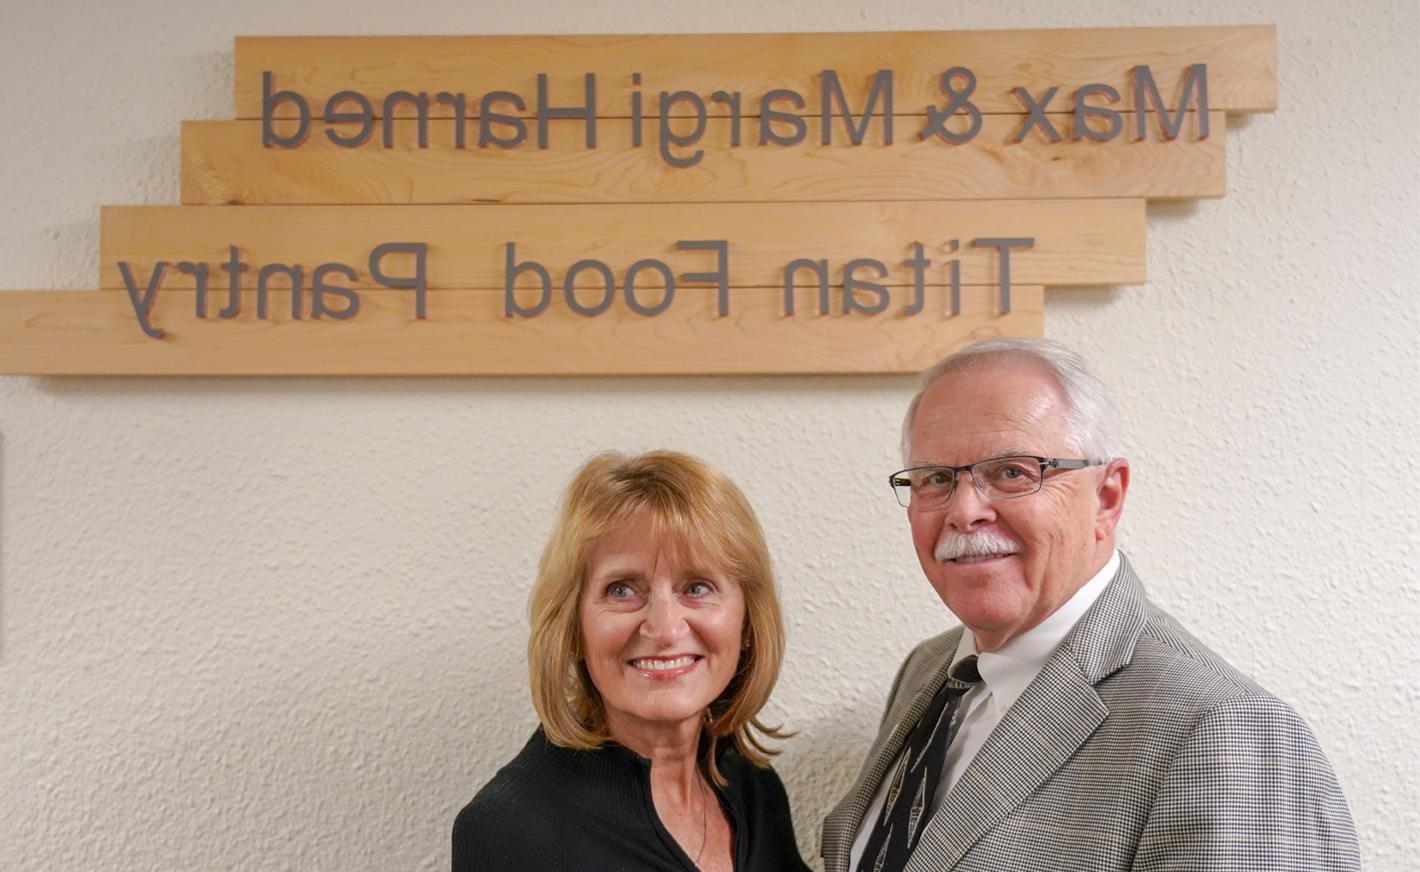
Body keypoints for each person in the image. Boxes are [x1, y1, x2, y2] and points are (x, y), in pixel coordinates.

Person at [822, 338, 1360, 871]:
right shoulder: (929, 671)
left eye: (1012, 471)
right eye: (936, 478)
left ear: (1106, 497)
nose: (964, 511)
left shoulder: (1227, 733)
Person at [453, 450, 812, 872]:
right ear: (573, 628)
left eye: (696, 587)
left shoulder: (752, 787)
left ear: (747, 622)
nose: (664, 629)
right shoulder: (514, 829)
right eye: (622, 590)